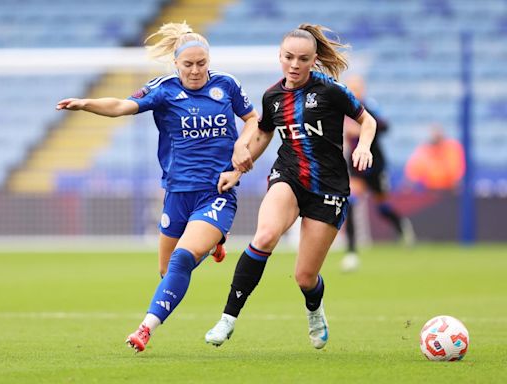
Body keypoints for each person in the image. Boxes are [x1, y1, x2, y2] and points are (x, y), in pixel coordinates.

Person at [56, 22, 259, 353]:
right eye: (188, 64)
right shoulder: (163, 89)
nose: (195, 71)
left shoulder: (228, 86)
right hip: (177, 194)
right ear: (176, 63)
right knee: (166, 271)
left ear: (209, 61)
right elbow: (122, 106)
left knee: (180, 261)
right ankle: (211, 243)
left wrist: (242, 148)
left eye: (201, 63)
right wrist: (85, 103)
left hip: (216, 193)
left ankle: (144, 329)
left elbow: (252, 119)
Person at [204, 23, 377, 349]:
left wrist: (364, 146)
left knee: (304, 277)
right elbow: (265, 134)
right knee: (266, 235)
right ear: (279, 56)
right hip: (288, 175)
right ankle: (228, 319)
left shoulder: (331, 91)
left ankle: (314, 309)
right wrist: (235, 170)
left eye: (302, 58)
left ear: (314, 61)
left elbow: (367, 120)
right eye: (288, 57)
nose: (294, 64)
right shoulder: (272, 96)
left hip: (328, 187)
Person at [340, 74, 415, 273]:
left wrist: (362, 128)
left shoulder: (369, 107)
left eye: (357, 87)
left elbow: (385, 125)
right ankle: (351, 252)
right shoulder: (340, 109)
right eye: (351, 87)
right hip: (356, 165)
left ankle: (401, 225)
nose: (354, 91)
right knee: (351, 204)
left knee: (382, 207)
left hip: (375, 164)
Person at [404, 124, 465, 190]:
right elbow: (412, 176)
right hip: (430, 191)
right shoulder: (424, 150)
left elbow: (456, 175)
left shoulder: (452, 148)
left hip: (451, 191)